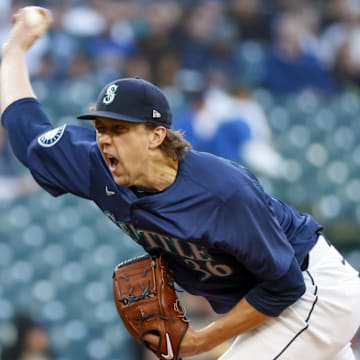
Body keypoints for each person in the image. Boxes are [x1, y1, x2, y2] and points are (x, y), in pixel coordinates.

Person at [1, 6, 360, 360]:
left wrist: (201, 341)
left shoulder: (222, 191)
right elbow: (26, 129)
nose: (105, 139)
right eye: (100, 129)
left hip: (312, 291)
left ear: (157, 136)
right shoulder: (95, 164)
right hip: (270, 308)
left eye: (119, 129)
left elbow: (286, 286)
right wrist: (15, 49)